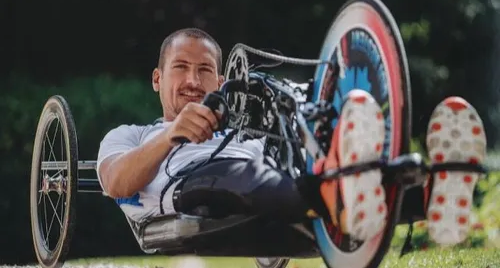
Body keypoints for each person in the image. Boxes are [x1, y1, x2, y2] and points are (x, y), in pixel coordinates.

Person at [96, 27, 487, 245]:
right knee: (238, 172)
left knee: (280, 159)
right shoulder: (131, 135)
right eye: (181, 67)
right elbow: (116, 182)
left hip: (278, 177)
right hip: (193, 188)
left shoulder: (240, 130)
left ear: (221, 81)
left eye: (205, 70)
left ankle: (432, 189)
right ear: (157, 79)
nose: (193, 81)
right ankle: (338, 189)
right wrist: (171, 138)